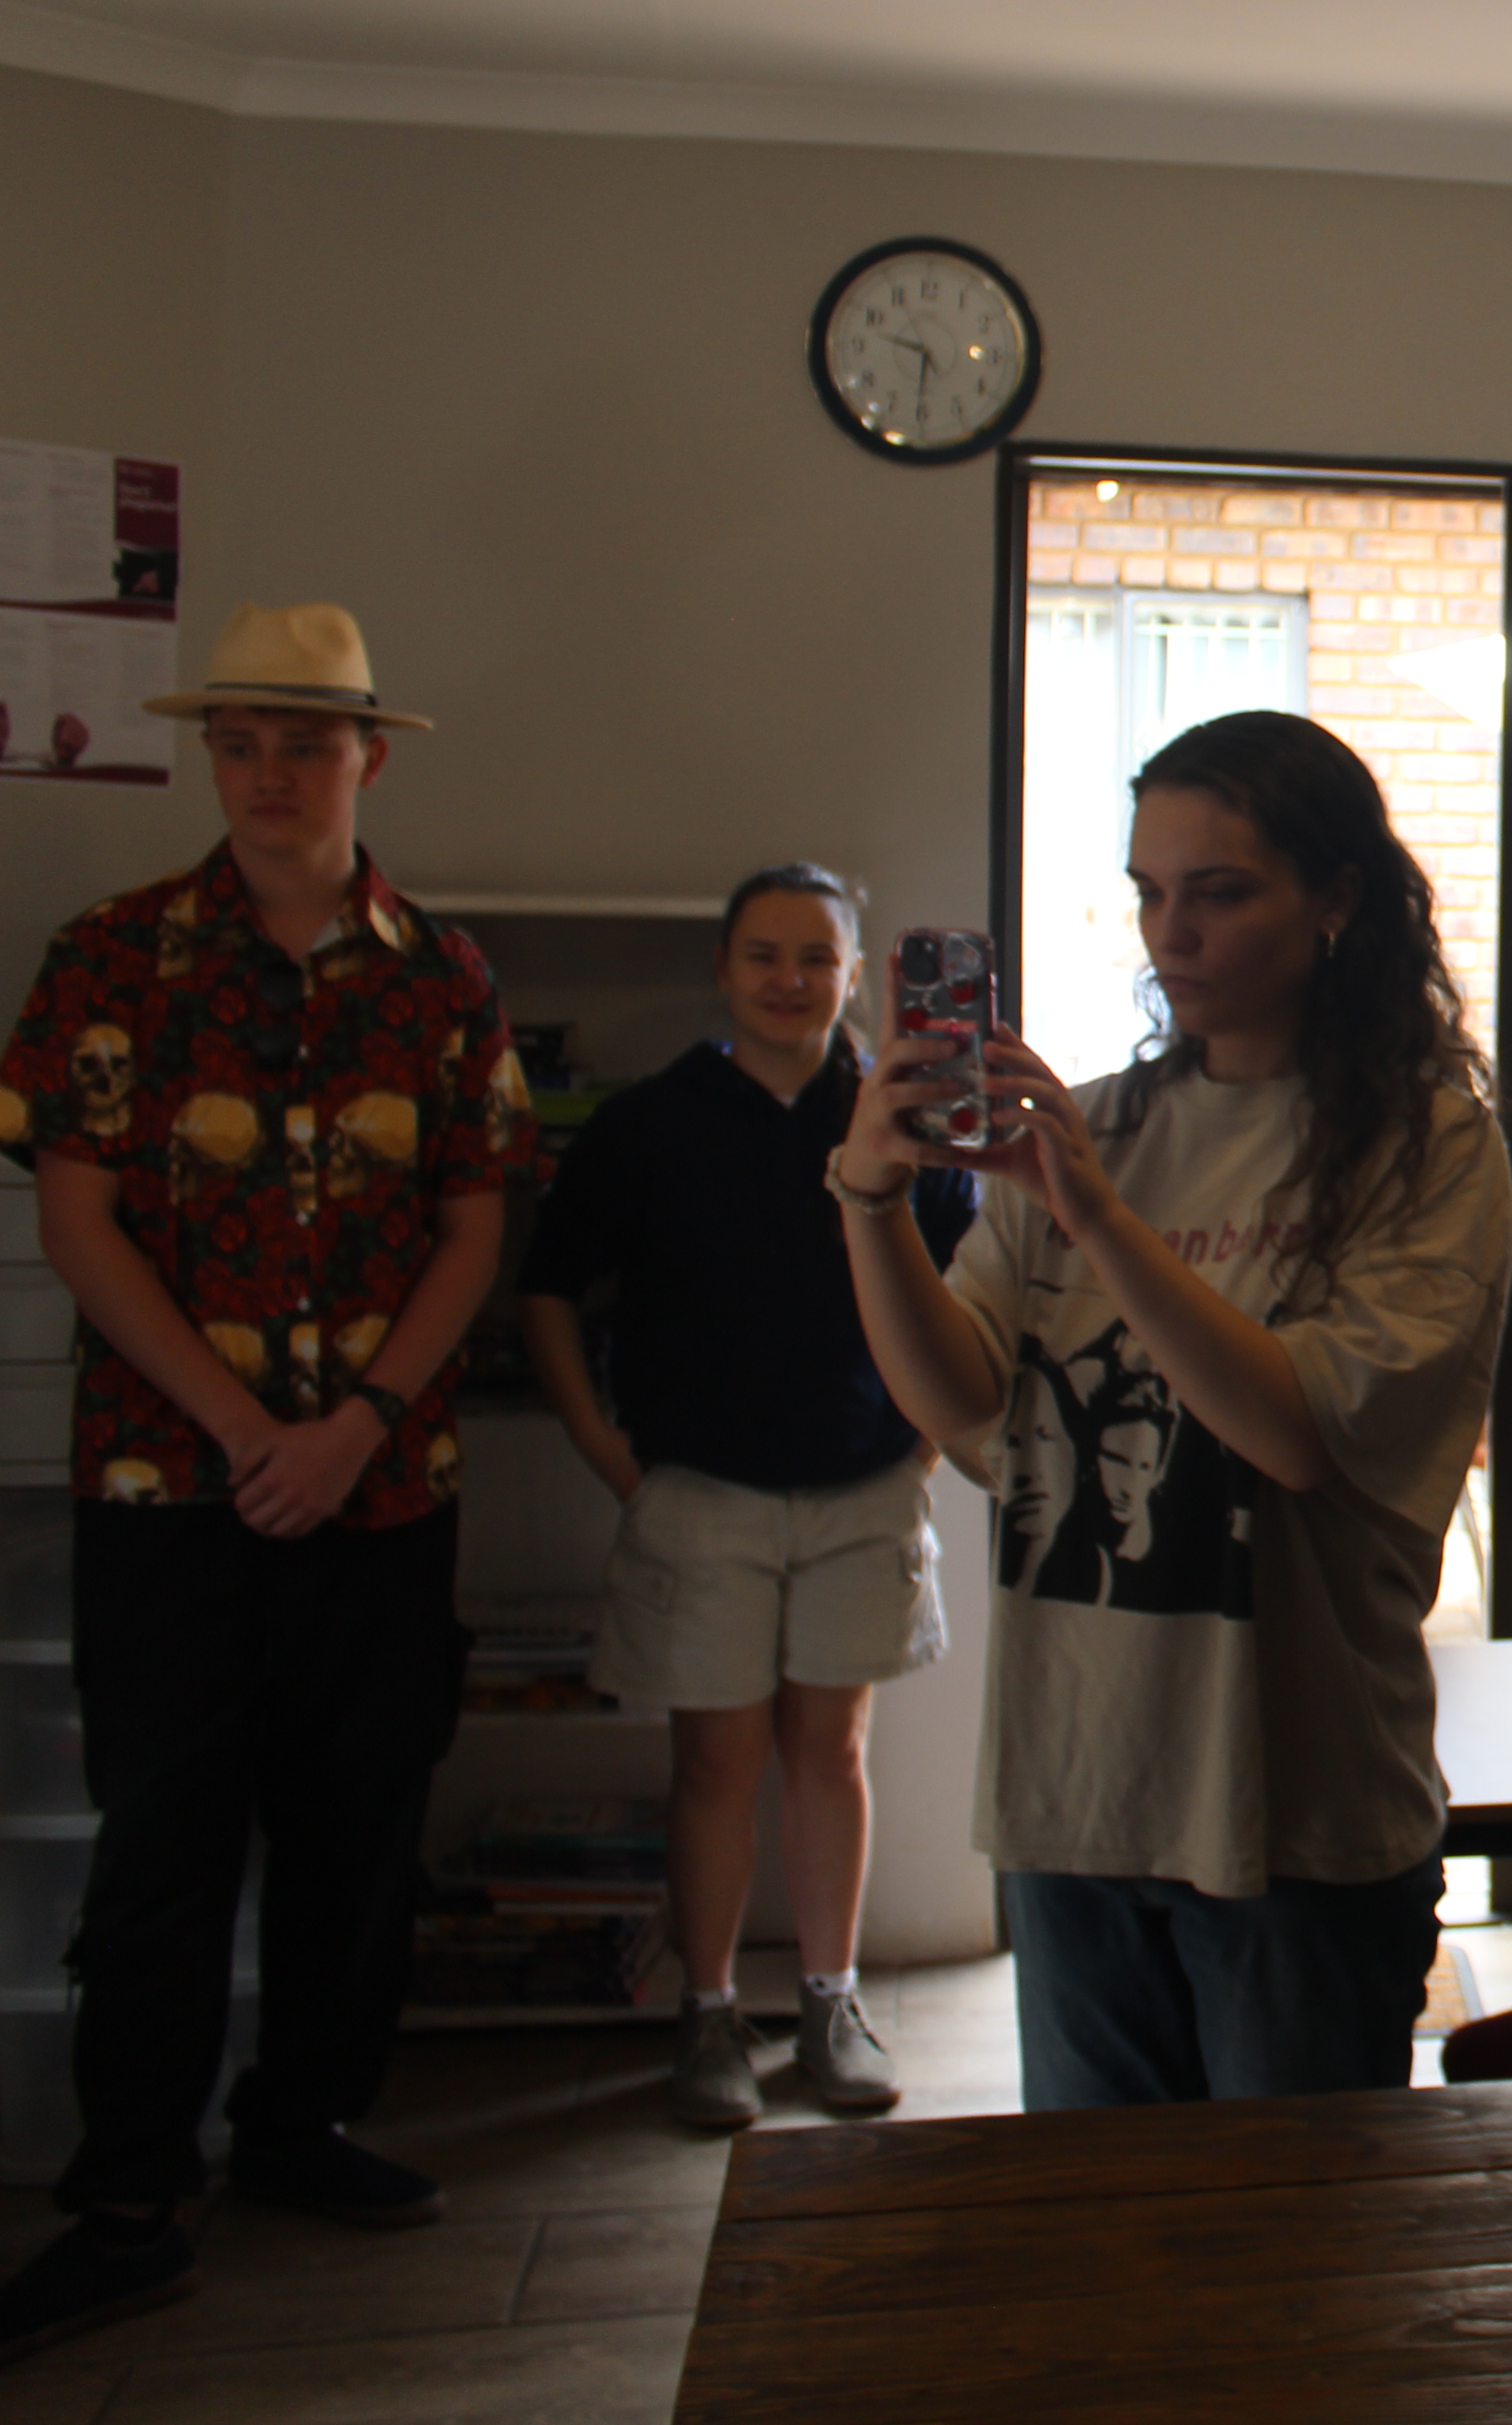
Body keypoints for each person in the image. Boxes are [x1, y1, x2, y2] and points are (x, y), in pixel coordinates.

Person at [833, 711, 1511, 2108]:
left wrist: (1095, 1215)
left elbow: (1297, 1433)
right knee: (1101, 2233)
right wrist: (869, 1199)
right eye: (1149, 892)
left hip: (1299, 1821)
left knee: (1293, 2234)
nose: (1171, 934)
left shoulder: (1430, 1146)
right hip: (1075, 1797)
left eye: (1219, 891)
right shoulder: (1094, 1127)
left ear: (1335, 898)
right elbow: (962, 1403)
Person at [0, 605, 534, 2362]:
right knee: (160, 1839)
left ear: (367, 757)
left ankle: (301, 2123)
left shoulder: (441, 976)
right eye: (240, 742)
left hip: (384, 1486)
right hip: (171, 1483)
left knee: (356, 1827)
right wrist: (246, 1432)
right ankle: (128, 2198)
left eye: (305, 742)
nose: (270, 773)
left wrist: (358, 1421)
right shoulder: (108, 958)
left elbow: (474, 1223)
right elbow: (75, 1221)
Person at [517, 864, 980, 2131]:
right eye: (765, 956)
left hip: (864, 1488)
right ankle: (709, 2011)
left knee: (833, 1753)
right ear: (722, 971)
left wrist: (927, 1444)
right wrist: (604, 1448)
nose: (790, 980)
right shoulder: (646, 1124)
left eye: (817, 958)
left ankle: (832, 2003)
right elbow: (548, 1287)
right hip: (697, 1496)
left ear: (855, 975)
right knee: (715, 1761)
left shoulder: (905, 1119)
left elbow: (970, 1288)